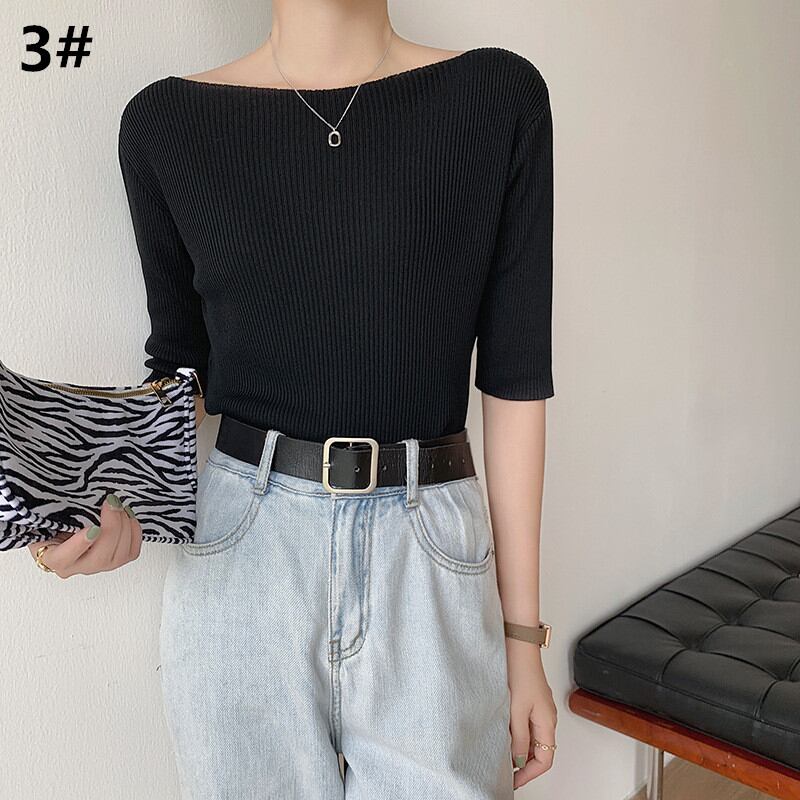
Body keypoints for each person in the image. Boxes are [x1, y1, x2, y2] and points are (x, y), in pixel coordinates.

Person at [30, 3, 557, 797]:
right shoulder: (164, 123)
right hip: (242, 553)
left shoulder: (496, 95)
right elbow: (181, 365)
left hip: (430, 554)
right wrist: (91, 497)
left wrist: (521, 640)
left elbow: (515, 379)